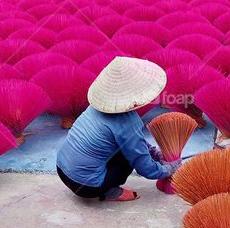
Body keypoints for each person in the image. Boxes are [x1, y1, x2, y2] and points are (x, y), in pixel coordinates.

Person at [56, 57, 180, 202]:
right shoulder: (128, 122)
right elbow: (145, 168)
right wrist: (168, 169)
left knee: (127, 146)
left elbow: (133, 140)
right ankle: (111, 192)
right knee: (128, 157)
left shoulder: (95, 107)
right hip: (86, 187)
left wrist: (153, 151)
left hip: (61, 169)